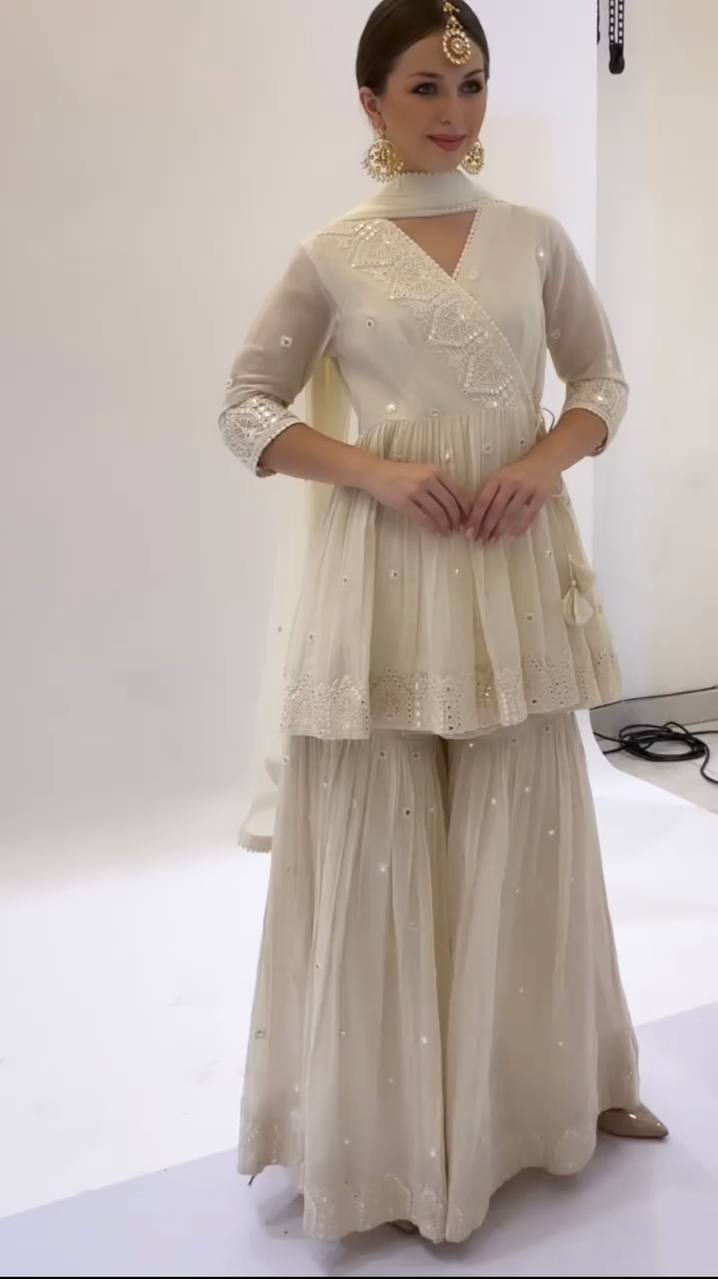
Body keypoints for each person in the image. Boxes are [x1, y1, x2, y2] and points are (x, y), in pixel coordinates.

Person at [217, 0, 668, 1246]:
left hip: (507, 566)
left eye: (469, 86)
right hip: (385, 576)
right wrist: (372, 472)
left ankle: (557, 1089)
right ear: (370, 103)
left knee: (526, 811)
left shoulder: (533, 239)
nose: (453, 112)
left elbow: (601, 380)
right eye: (423, 86)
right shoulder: (332, 253)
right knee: (383, 828)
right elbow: (247, 408)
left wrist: (540, 461)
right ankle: (375, 1136)